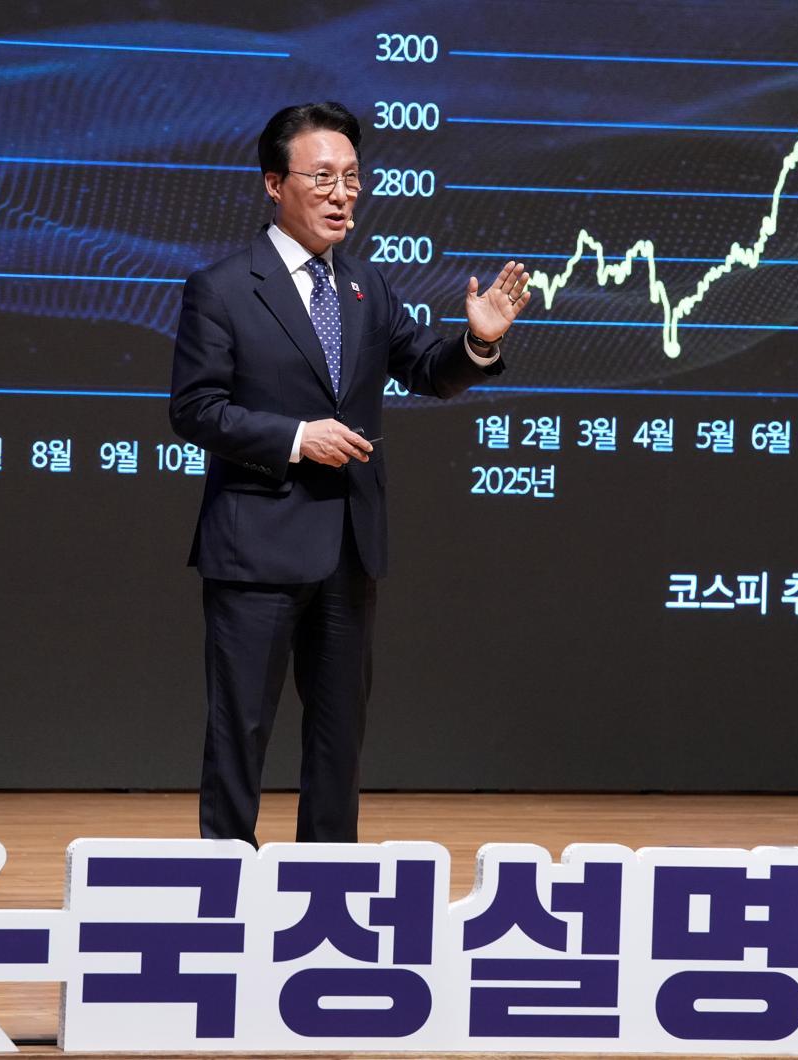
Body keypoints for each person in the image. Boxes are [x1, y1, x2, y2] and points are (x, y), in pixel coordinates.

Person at [168, 101, 531, 844]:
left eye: (353, 179)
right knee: (240, 733)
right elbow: (196, 410)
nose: (342, 195)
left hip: (348, 548)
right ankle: (225, 883)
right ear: (275, 183)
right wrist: (297, 438)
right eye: (323, 178)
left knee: (339, 740)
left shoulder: (368, 288)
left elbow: (428, 370)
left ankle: (325, 886)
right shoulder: (224, 287)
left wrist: (478, 344)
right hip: (256, 546)